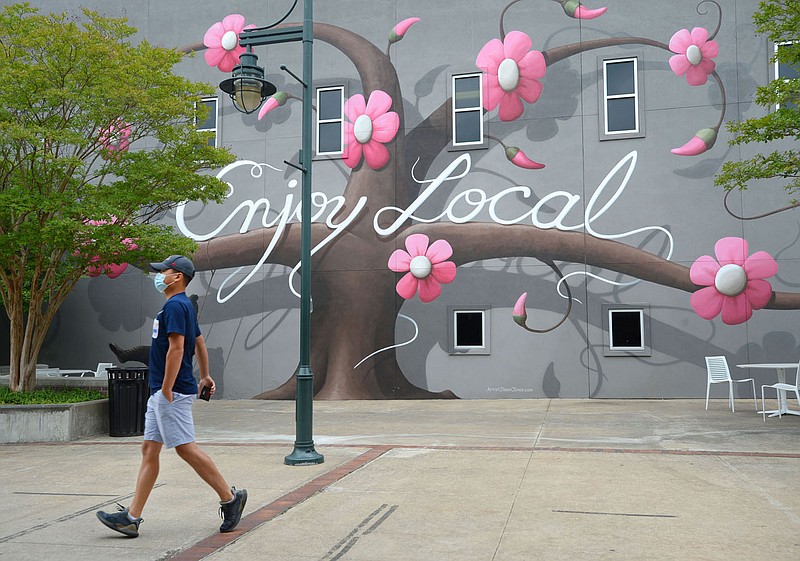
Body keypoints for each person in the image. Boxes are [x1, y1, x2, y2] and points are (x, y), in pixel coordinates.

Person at [97, 255, 246, 538]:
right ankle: (131, 518)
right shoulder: (182, 306)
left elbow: (177, 349)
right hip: (163, 392)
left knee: (185, 449)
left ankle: (230, 499)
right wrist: (205, 375)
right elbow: (199, 340)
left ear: (177, 276)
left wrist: (166, 388)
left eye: (163, 271)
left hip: (170, 392)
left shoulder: (176, 306)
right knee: (149, 450)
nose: (158, 275)